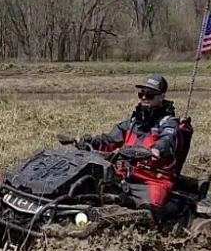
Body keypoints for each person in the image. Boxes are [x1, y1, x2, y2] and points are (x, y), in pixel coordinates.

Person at [77, 73, 188, 212]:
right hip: (124, 177)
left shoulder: (169, 123)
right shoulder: (133, 122)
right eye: (141, 94)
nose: (144, 98)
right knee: (91, 191)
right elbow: (109, 140)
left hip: (152, 181)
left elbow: (168, 139)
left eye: (150, 95)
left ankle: (174, 215)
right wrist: (88, 142)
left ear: (162, 96)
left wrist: (157, 149)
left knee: (147, 213)